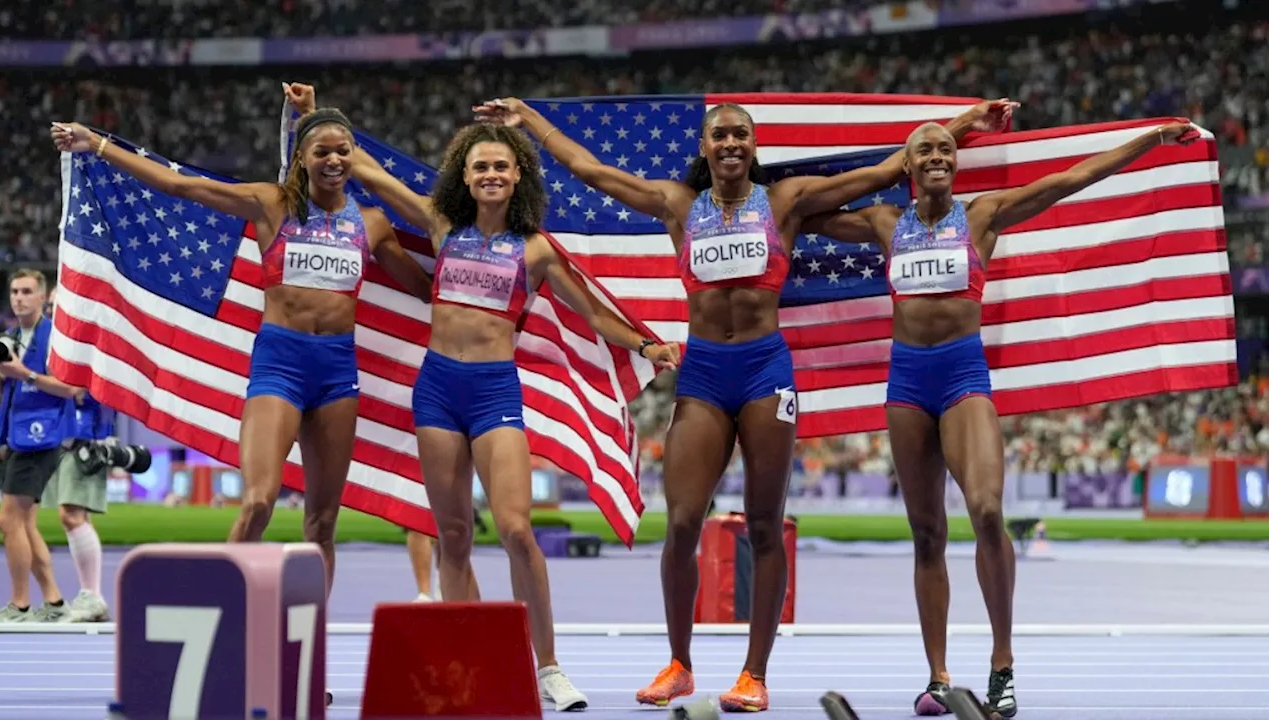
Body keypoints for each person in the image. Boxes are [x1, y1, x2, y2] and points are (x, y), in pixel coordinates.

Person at [474, 95, 1016, 711]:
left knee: (764, 525)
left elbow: (893, 169)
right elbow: (597, 173)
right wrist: (533, 124)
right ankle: (679, 663)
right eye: (720, 136)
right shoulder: (679, 205)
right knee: (680, 523)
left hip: (766, 373)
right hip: (705, 373)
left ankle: (754, 673)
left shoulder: (783, 202)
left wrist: (961, 128)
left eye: (740, 135)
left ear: (754, 148)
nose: (730, 144)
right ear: (705, 148)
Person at [284, 82, 681, 712]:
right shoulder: (443, 226)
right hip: (437, 391)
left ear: (517, 174)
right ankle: (464, 662)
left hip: (496, 392)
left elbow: (593, 314)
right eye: (480, 166)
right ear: (464, 178)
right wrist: (307, 119)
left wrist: (645, 344)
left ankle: (547, 667)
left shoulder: (537, 250)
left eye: (500, 165)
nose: (491, 174)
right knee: (453, 534)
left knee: (518, 530)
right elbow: (360, 168)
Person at [804, 119, 1201, 718]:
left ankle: (1002, 663)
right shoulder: (885, 222)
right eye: (924, 150)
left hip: (963, 376)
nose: (937, 156)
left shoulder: (982, 215)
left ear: (956, 163)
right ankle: (937, 676)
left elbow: (1074, 177)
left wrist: (1151, 140)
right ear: (906, 166)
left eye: (945, 147)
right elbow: (802, 212)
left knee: (988, 511)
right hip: (906, 383)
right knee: (927, 534)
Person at [49, 108, 433, 589]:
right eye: (322, 151)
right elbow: (180, 187)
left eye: (343, 151)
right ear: (301, 159)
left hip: (337, 373)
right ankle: (220, 609)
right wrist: (99, 146)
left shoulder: (372, 223)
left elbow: (424, 289)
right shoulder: (271, 203)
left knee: (322, 522)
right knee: (258, 500)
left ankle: (309, 640)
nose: (334, 159)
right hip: (280, 365)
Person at [0, 269, 85, 623]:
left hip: (41, 437)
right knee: (25, 525)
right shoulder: (12, 337)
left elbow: (72, 388)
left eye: (27, 291)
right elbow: (9, 392)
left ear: (42, 297)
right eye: (14, 291)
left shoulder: (57, 336)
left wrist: (24, 374)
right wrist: (0, 374)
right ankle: (55, 603)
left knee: (6, 520)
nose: (18, 297)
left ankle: (19, 605)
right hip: (16, 436)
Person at [41, 287, 113, 623]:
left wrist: (27, 375)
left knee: (71, 515)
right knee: (73, 516)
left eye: (59, 304)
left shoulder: (87, 343)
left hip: (85, 435)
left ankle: (92, 595)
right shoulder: (57, 343)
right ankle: (87, 594)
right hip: (58, 436)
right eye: (52, 305)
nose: (54, 310)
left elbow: (79, 391)